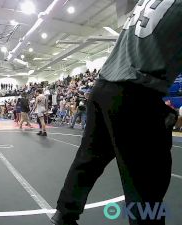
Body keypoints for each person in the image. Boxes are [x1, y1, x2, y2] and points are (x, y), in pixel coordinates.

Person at [51, 1, 181, 225]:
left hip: (103, 88)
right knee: (147, 181)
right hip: (136, 91)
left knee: (88, 160)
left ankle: (64, 215)